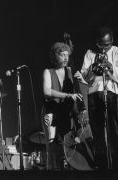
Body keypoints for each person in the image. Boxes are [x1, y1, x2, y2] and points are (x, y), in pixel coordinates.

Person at [74, 27, 118, 169]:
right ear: (96, 43)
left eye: (106, 45)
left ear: (111, 42)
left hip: (111, 93)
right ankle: (102, 165)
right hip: (94, 93)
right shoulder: (90, 53)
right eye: (100, 45)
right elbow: (85, 78)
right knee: (97, 130)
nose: (103, 48)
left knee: (114, 129)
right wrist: (93, 66)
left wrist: (110, 67)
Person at [42, 42, 82, 170]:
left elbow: (83, 89)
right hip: (52, 111)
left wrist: (82, 80)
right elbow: (47, 91)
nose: (66, 58)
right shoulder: (48, 72)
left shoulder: (71, 71)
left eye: (67, 55)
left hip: (66, 113)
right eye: (62, 55)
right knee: (53, 147)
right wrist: (67, 95)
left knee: (69, 146)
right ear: (55, 56)